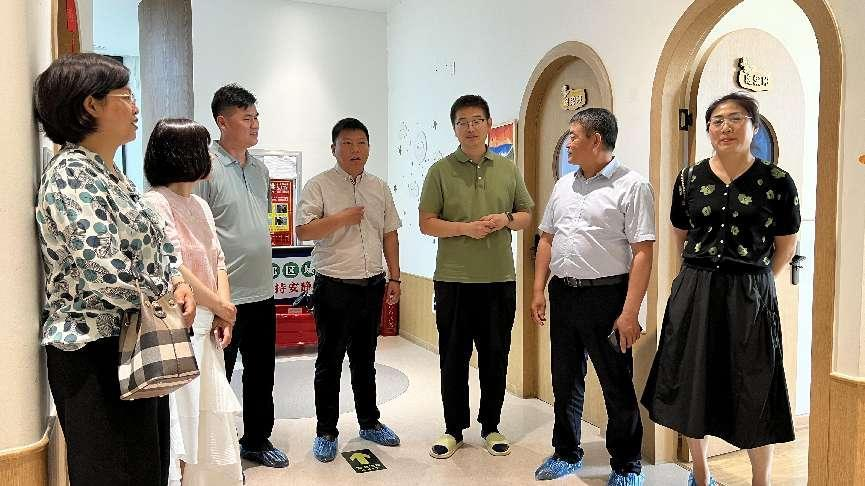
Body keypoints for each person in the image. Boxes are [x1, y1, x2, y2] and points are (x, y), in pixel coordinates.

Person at [33, 53, 195, 486]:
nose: (136, 107)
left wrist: (177, 280)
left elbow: (158, 246)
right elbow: (106, 273)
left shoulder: (109, 173)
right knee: (115, 473)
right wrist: (166, 294)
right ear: (91, 105)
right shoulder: (72, 175)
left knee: (146, 468)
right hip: (94, 353)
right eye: (126, 96)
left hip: (133, 338)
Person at [641, 92, 799, 486]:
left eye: (736, 118)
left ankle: (760, 480)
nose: (725, 127)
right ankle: (701, 473)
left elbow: (786, 244)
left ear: (754, 126)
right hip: (697, 289)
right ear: (708, 129)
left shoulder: (777, 182)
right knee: (694, 382)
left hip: (750, 292)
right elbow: (681, 233)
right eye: (717, 121)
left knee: (756, 385)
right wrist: (696, 277)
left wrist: (758, 281)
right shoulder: (689, 179)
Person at [530, 108, 654, 486]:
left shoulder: (632, 186)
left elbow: (643, 252)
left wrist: (630, 312)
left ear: (595, 140)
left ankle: (627, 465)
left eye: (574, 136)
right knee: (565, 379)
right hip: (564, 294)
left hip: (608, 297)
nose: (568, 143)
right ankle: (566, 452)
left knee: (616, 382)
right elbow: (547, 239)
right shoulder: (563, 186)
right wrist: (538, 289)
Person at [419, 94, 534, 459]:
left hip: (499, 279)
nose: (470, 128)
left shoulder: (507, 169)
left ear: (488, 124)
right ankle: (453, 429)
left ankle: (491, 426)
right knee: (453, 358)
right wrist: (465, 228)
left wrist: (505, 220)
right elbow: (426, 223)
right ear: (454, 128)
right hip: (453, 280)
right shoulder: (440, 171)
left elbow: (526, 215)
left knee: (495, 356)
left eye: (477, 120)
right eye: (463, 122)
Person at [143, 118, 243, 486]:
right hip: (179, 326)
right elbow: (174, 265)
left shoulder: (200, 204)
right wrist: (221, 307)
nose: (210, 155)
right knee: (182, 423)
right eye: (203, 148)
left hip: (208, 325)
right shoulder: (154, 202)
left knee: (209, 421)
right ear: (182, 154)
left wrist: (224, 311)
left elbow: (218, 260)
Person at [296, 117, 403, 462]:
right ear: (334, 148)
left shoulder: (379, 187)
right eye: (347, 143)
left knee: (365, 359)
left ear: (369, 148)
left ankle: (369, 422)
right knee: (329, 362)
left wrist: (395, 278)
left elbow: (389, 234)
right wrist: (341, 218)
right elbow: (304, 231)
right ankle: (326, 432)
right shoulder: (319, 185)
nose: (355, 150)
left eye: (361, 143)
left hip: (372, 285)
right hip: (334, 287)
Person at [194, 84, 288, 468]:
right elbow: (198, 237)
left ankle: (256, 440)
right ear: (222, 121)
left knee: (262, 373)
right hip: (224, 297)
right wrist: (214, 298)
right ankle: (213, 451)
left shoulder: (260, 169)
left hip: (263, 291)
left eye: (256, 117)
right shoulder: (205, 168)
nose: (255, 124)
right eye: (246, 118)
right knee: (219, 375)